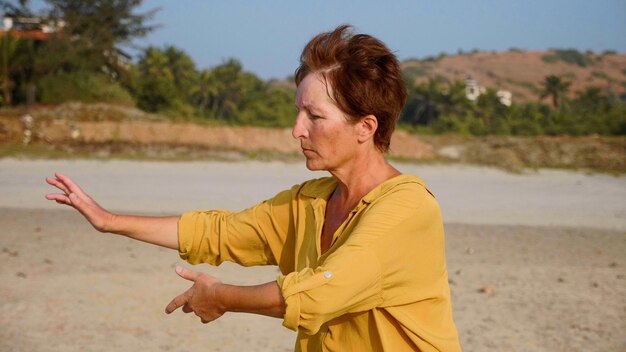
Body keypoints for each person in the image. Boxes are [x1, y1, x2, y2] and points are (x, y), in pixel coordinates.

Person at [45, 25, 461, 351]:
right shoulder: (309, 201)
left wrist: (223, 296)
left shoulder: (407, 208)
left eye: (314, 116)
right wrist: (110, 221)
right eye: (298, 112)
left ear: (365, 127)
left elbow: (322, 291)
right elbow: (220, 232)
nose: (297, 129)